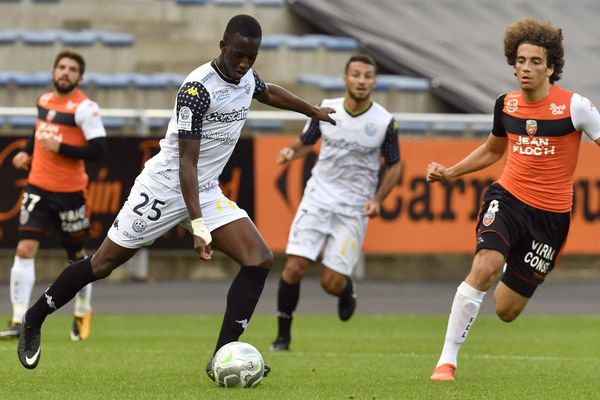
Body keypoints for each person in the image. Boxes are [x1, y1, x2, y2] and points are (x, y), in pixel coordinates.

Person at [17, 14, 336, 377]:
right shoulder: (197, 90)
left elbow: (268, 90)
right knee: (102, 265)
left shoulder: (245, 75)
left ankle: (221, 357)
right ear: (222, 46)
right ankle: (34, 317)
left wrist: (310, 110)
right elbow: (187, 163)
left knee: (259, 258)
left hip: (205, 189)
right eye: (238, 55)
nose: (245, 63)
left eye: (252, 56)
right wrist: (198, 224)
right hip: (165, 186)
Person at [427, 18, 600, 381]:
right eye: (520, 60)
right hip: (507, 198)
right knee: (484, 265)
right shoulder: (506, 105)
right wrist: (451, 171)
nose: (526, 68)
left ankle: (513, 260)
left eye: (536, 61)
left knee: (506, 309)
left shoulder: (575, 108)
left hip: (551, 218)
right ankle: (446, 361)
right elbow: (493, 150)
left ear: (551, 67)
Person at [270, 54, 402, 352]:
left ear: (374, 81)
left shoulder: (384, 122)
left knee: (330, 282)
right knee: (294, 266)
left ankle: (347, 288)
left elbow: (394, 166)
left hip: (353, 209)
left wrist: (378, 200)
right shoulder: (326, 109)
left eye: (367, 76)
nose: (361, 81)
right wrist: (290, 153)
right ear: (345, 79)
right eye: (356, 75)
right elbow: (306, 142)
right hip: (318, 198)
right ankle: (282, 338)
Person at [0, 50, 107, 342]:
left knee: (77, 259)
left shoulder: (85, 108)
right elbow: (39, 134)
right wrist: (26, 152)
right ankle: (18, 319)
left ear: (80, 77)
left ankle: (83, 310)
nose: (65, 72)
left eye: (72, 69)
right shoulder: (44, 100)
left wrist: (62, 149)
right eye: (61, 67)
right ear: (53, 72)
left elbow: (100, 150)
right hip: (37, 187)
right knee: (23, 249)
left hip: (70, 193)